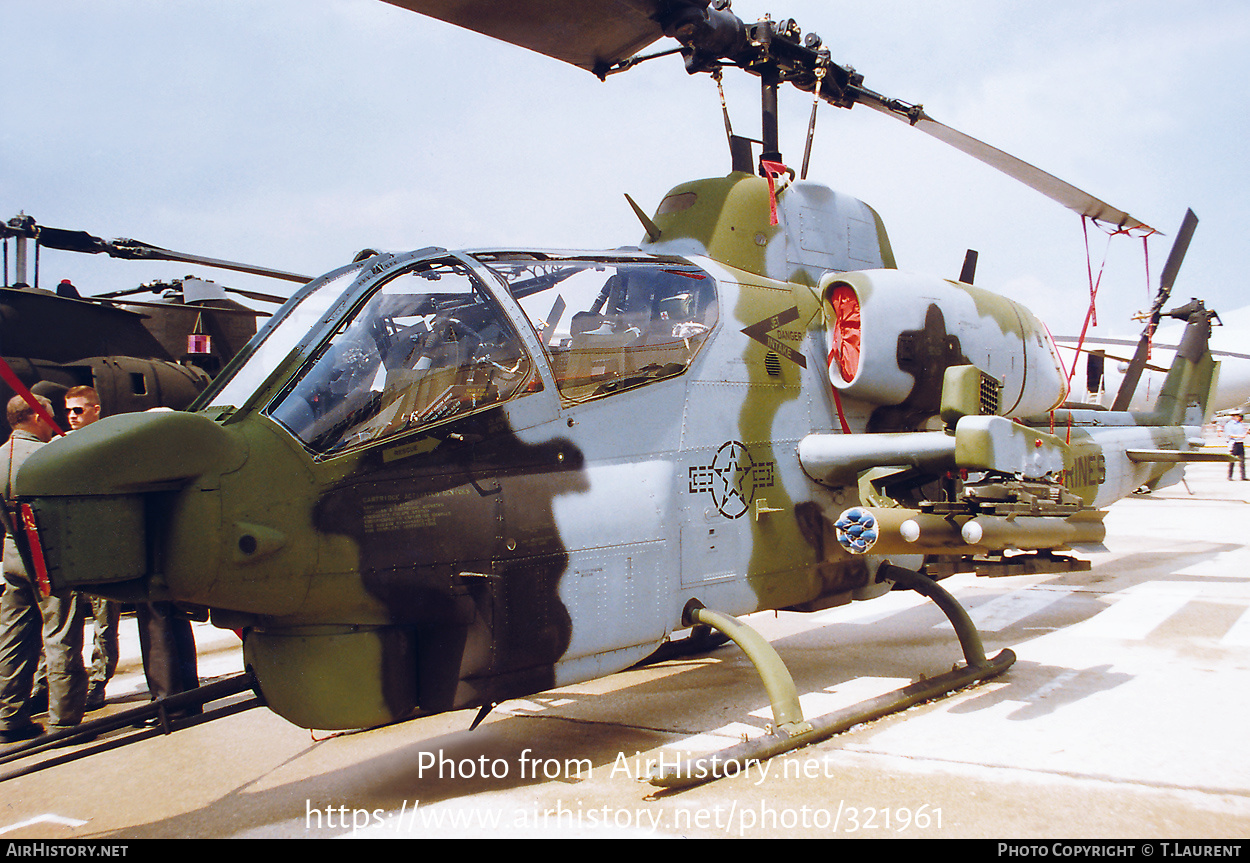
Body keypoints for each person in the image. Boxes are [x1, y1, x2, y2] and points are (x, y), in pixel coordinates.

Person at [0, 394, 87, 744]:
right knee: (60, 635)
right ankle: (64, 722)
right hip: (49, 557)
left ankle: (9, 718)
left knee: (12, 637)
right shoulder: (48, 457)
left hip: (11, 556)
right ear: (38, 417)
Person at [64, 386, 116, 710]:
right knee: (63, 620)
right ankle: (60, 681)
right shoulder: (59, 446)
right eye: (68, 410)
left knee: (104, 618)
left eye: (78, 410)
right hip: (71, 544)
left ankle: (98, 680)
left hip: (101, 544)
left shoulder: (109, 443)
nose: (71, 416)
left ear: (95, 409)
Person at [1225, 412, 1247, 481]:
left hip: (1240, 442)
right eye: (1238, 416)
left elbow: (1243, 432)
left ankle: (1243, 476)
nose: (1240, 417)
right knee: (1232, 460)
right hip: (1234, 443)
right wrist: (1240, 436)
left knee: (1242, 460)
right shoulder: (1229, 425)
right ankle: (1230, 476)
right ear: (1234, 416)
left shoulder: (1240, 424)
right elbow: (1229, 435)